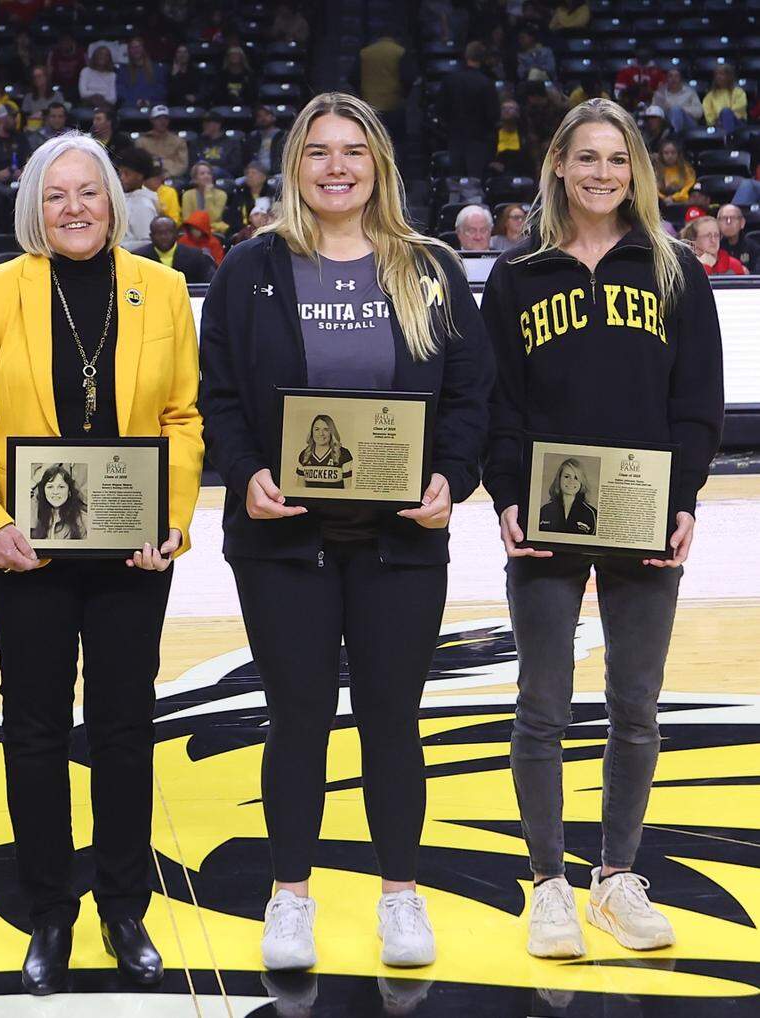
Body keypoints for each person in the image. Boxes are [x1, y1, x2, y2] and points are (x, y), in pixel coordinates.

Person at [199, 91, 494, 974]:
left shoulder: (428, 266)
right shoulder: (252, 268)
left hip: (399, 541)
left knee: (392, 720)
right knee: (296, 718)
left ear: (379, 167)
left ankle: (399, 895)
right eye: (319, 151)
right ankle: (290, 897)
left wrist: (454, 479)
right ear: (296, 166)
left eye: (353, 152)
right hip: (284, 540)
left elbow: (471, 396)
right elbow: (218, 395)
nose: (337, 167)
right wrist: (246, 472)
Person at [0, 132, 203, 996]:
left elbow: (182, 419)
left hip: (132, 550)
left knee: (127, 728)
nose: (76, 208)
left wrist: (169, 521)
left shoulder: (161, 290)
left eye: (89, 192)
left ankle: (124, 907)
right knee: (35, 730)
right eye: (56, 195)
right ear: (34, 207)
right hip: (29, 550)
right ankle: (49, 909)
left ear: (115, 202)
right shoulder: (0, 294)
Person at [481, 98, 724, 962]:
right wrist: (505, 495)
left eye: (616, 160)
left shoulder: (671, 269)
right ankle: (548, 882)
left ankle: (617, 877)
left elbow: (696, 402)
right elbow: (497, 405)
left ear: (637, 172)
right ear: (557, 165)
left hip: (642, 507)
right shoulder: (517, 275)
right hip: (547, 514)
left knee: (636, 706)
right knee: (541, 705)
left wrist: (686, 495)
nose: (600, 174)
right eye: (585, 157)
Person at [442, 41, 499, 178]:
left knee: (456, 183)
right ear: (483, 58)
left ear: (466, 56)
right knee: (476, 184)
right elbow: (493, 115)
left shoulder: (450, 80)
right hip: (479, 141)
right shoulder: (486, 83)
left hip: (455, 139)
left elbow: (440, 110)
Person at [134, 215, 216, 283]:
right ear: (151, 236)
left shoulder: (196, 256)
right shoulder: (138, 258)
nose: (163, 237)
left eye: (168, 232)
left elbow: (206, 286)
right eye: (159, 233)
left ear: (177, 234)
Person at [537, 458, 596, 534]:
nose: (571, 481)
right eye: (566, 477)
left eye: (576, 478)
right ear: (559, 479)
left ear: (581, 482)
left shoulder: (591, 514)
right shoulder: (544, 511)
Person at [118, 147, 163, 245]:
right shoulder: (124, 196)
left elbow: (146, 243)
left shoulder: (143, 205)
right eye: (120, 173)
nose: (121, 177)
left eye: (126, 173)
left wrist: (116, 248)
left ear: (140, 175)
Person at [29, 463, 88, 539]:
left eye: (61, 487)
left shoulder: (83, 521)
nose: (55, 492)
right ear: (43, 491)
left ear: (69, 491)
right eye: (50, 487)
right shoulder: (36, 518)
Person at [296, 415, 353, 488]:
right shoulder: (304, 455)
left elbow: (348, 490)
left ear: (331, 432)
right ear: (312, 432)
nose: (321, 433)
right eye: (317, 429)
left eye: (326, 429)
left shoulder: (344, 454)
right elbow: (300, 489)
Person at [681, 214, 746, 275]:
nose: (713, 240)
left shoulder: (734, 265)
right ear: (694, 239)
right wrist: (705, 267)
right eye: (707, 236)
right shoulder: (686, 266)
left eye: (716, 235)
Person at [138, 104, 189, 179]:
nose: (162, 121)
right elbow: (139, 163)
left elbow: (182, 165)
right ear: (152, 120)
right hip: (149, 178)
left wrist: (167, 175)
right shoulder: (141, 141)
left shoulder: (179, 141)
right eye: (158, 118)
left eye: (165, 118)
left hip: (173, 178)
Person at [117, 36, 168, 108]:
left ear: (143, 48)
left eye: (138, 47)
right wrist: (137, 102)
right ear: (129, 51)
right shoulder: (123, 70)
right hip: (132, 106)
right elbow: (121, 90)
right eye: (132, 47)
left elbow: (161, 89)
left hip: (153, 104)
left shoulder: (157, 68)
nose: (136, 50)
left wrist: (148, 101)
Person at [181, 161, 229, 236]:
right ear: (195, 178)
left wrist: (208, 195)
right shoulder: (187, 195)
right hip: (193, 231)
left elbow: (213, 218)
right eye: (202, 174)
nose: (206, 176)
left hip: (214, 232)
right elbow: (187, 219)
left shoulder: (221, 195)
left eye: (209, 173)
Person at [652, 68, 704, 135]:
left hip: (687, 125)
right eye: (670, 76)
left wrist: (681, 109)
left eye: (676, 76)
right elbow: (653, 113)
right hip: (666, 123)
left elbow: (699, 112)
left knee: (676, 110)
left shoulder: (690, 92)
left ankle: (674, 138)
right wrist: (665, 109)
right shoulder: (660, 94)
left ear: (681, 79)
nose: (673, 79)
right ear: (666, 79)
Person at [195, 111, 243, 179]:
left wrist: (216, 170)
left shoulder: (232, 143)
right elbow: (193, 163)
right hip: (201, 174)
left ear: (217, 125)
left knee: (215, 171)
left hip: (224, 176)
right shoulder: (197, 142)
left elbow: (235, 166)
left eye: (208, 123)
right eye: (204, 123)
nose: (205, 125)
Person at [22, 64, 69, 132]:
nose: (37, 79)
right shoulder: (28, 98)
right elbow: (26, 117)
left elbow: (60, 115)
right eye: (34, 77)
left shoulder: (57, 96)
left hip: (54, 129)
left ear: (46, 77)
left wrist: (42, 113)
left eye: (39, 76)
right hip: (34, 129)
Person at [716, 203, 760, 273]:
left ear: (742, 223)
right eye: (724, 218)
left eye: (733, 218)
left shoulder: (754, 248)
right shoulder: (711, 248)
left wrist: (748, 274)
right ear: (717, 223)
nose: (728, 222)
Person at [244, 104, 286, 175]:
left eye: (266, 115)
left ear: (274, 117)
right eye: (259, 116)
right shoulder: (252, 137)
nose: (263, 118)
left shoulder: (283, 135)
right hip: (255, 172)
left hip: (277, 173)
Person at [702, 64, 747, 131]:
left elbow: (739, 109)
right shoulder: (710, 96)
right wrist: (716, 121)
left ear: (729, 76)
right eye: (716, 74)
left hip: (737, 122)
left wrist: (724, 117)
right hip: (717, 124)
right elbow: (708, 114)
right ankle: (728, 139)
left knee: (726, 112)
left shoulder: (739, 92)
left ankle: (728, 139)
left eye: (721, 74)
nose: (718, 77)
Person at [654, 139, 695, 205]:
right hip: (661, 201)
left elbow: (688, 186)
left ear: (678, 154)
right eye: (666, 153)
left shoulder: (686, 169)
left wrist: (673, 198)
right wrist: (664, 198)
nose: (670, 156)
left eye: (673, 153)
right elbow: (654, 188)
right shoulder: (657, 170)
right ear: (661, 154)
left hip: (681, 201)